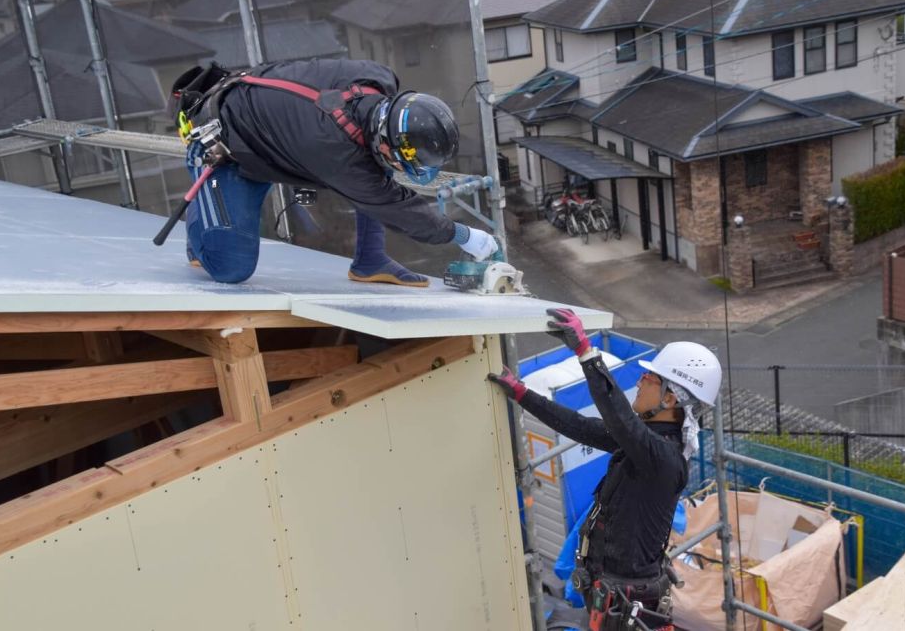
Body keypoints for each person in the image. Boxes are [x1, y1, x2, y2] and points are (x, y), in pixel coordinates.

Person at [487, 308, 722, 631]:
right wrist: (523, 394)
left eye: (649, 378)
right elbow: (582, 426)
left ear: (671, 399)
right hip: (610, 596)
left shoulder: (664, 459)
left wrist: (586, 352)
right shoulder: (648, 442)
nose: (640, 381)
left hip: (624, 606)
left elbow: (619, 417)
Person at [170, 58, 499, 285]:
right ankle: (204, 223)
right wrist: (464, 236)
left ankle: (370, 259)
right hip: (223, 147)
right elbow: (399, 210)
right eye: (406, 162)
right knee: (230, 268)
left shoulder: (378, 79)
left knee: (372, 171)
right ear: (387, 141)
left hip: (272, 135)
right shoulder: (333, 150)